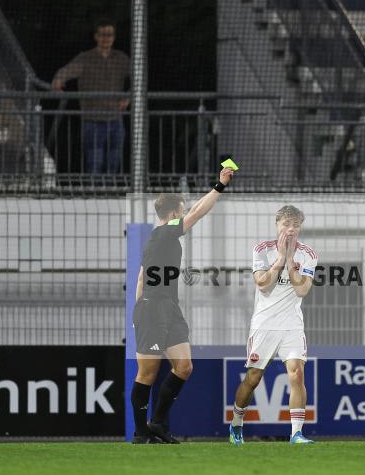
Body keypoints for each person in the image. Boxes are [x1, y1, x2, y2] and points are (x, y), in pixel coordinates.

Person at [130, 167, 236, 444]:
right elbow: (198, 213)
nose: (186, 213)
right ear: (175, 213)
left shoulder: (161, 239)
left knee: (184, 367)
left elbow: (141, 275)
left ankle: (158, 423)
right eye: (183, 210)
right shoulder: (162, 233)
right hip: (152, 309)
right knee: (148, 373)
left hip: (169, 308)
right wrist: (219, 186)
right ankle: (141, 433)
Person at [228, 205, 319, 445]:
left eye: (295, 226)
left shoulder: (308, 254)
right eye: (286, 224)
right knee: (254, 378)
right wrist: (280, 259)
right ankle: (236, 423)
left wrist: (290, 260)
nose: (290, 230)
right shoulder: (262, 250)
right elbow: (262, 284)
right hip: (264, 324)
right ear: (277, 225)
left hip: (291, 324)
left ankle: (296, 433)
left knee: (297, 374)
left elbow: (301, 290)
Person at [52, 19, 130, 175]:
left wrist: (128, 97)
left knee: (113, 162)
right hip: (92, 119)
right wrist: (59, 79)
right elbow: (67, 70)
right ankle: (94, 195)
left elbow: (138, 78)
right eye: (103, 35)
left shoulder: (121, 58)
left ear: (114, 37)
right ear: (96, 36)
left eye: (109, 35)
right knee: (95, 162)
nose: (106, 38)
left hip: (115, 118)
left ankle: (109, 196)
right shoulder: (86, 58)